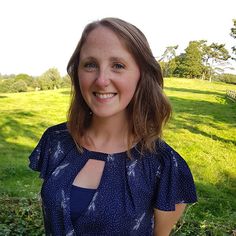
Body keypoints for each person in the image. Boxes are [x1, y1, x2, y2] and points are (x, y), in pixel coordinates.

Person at [29, 17, 197, 235]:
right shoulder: (56, 141)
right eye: (90, 64)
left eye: (118, 66)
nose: (101, 80)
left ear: (141, 75)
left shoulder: (163, 165)